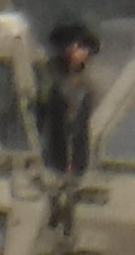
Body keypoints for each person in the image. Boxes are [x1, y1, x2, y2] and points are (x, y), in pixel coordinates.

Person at [40, 21, 101, 174]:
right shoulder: (49, 76)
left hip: (82, 156)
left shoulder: (93, 80)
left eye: (82, 46)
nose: (78, 51)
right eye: (74, 45)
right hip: (51, 153)